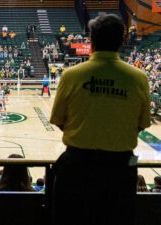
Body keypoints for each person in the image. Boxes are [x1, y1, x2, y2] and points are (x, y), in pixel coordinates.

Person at [50, 15, 150, 225]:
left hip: (77, 166)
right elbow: (141, 124)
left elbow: (58, 119)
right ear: (122, 41)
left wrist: (85, 133)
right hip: (121, 169)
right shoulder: (139, 78)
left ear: (91, 41)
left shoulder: (71, 75)